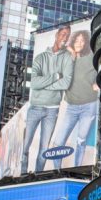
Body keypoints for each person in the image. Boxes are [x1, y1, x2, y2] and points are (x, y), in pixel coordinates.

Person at [22, 25, 74, 173]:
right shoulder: (40, 58)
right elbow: (34, 83)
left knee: (44, 149)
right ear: (57, 35)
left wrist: (44, 85)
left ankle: (37, 176)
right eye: (63, 34)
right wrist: (55, 77)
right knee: (25, 146)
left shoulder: (67, 59)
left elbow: (66, 83)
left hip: (52, 110)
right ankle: (23, 175)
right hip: (35, 108)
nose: (65, 37)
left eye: (67, 35)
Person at [50, 30, 99, 169]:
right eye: (77, 41)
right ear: (72, 42)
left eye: (82, 41)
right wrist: (70, 55)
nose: (79, 44)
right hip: (71, 107)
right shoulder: (66, 57)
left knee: (81, 140)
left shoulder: (91, 57)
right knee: (58, 143)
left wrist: (98, 82)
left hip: (89, 105)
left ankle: (77, 169)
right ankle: (57, 171)